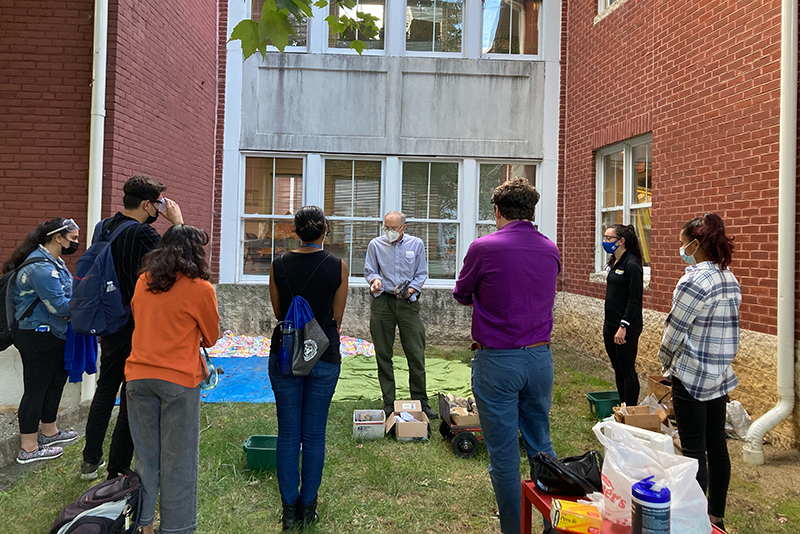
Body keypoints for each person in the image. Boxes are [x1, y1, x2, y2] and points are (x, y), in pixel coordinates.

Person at [452, 177, 560, 534]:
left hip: (498, 359)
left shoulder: (484, 248)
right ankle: (554, 521)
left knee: (503, 456)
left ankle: (515, 529)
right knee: (540, 444)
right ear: (531, 212)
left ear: (497, 211)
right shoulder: (550, 248)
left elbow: (462, 293)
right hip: (540, 358)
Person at [81, 174, 184, 480]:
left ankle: (90, 459)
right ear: (146, 204)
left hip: (108, 321)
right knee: (131, 396)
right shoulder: (142, 234)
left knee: (105, 389)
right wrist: (176, 224)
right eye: (158, 204)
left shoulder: (103, 226)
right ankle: (117, 468)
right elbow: (173, 265)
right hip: (134, 323)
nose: (160, 210)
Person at [125, 225, 219, 534]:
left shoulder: (143, 281)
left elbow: (141, 319)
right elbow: (211, 337)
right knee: (178, 460)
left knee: (146, 457)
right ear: (197, 253)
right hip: (179, 380)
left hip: (138, 376)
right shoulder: (200, 288)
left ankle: (143, 523)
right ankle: (177, 528)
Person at [657, 212, 740, 533]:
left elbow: (674, 330)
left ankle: (693, 519)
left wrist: (665, 362)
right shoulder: (728, 276)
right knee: (716, 443)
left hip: (691, 374)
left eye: (682, 244)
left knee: (692, 449)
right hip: (720, 374)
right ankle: (715, 517)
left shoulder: (693, 279)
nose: (680, 250)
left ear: (695, 244)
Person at [268, 206, 348, 530]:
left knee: (288, 433)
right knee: (314, 435)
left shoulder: (278, 265)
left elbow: (278, 312)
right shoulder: (338, 266)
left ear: (294, 231)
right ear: (325, 230)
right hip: (324, 352)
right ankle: (308, 507)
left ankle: (289, 512)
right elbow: (337, 317)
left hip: (285, 352)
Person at [5, 218, 81, 463]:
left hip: (53, 333)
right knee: (36, 389)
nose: (76, 243)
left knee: (54, 382)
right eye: (73, 238)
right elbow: (59, 306)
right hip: (36, 335)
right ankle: (28, 448)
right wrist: (87, 306)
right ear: (58, 238)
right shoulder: (40, 268)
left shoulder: (55, 262)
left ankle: (49, 432)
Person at [363, 210, 437, 419]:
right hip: (382, 302)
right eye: (386, 227)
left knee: (415, 353)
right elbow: (370, 271)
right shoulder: (375, 245)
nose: (389, 232)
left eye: (393, 228)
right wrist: (375, 281)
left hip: (408, 305)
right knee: (383, 354)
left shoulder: (417, 245)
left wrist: (411, 290)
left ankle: (421, 401)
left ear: (403, 228)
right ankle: (389, 402)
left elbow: (421, 273)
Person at [602, 224, 644, 407]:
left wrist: (623, 326)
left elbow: (635, 300)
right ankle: (623, 407)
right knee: (617, 369)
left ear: (621, 241)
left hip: (625, 327)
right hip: (610, 324)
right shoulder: (615, 262)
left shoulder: (632, 264)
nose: (605, 241)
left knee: (627, 369)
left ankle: (632, 412)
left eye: (609, 238)